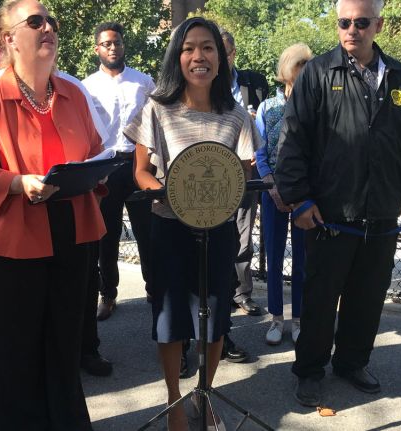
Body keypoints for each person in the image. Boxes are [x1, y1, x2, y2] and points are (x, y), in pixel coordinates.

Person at [274, 0, 401, 407]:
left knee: (368, 298)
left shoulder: (400, 77)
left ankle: (352, 362)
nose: (352, 29)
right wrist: (299, 199)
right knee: (320, 300)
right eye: (344, 22)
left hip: (382, 212)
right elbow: (293, 138)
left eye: (361, 22)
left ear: (378, 25)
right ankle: (310, 370)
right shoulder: (318, 73)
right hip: (329, 215)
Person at [0, 0, 106, 429]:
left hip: (70, 230)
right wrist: (19, 183)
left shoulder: (74, 93)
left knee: (64, 344)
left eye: (51, 21)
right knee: (14, 351)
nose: (48, 28)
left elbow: (95, 151)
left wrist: (98, 172)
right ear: (9, 39)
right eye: (36, 21)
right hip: (10, 238)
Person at [125, 17, 259, 431]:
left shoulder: (236, 115)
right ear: (177, 57)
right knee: (170, 321)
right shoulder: (157, 108)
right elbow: (140, 171)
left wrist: (235, 180)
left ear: (220, 58)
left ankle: (205, 393)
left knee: (216, 319)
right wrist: (163, 191)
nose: (198, 56)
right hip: (169, 227)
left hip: (218, 230)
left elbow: (243, 171)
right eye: (189, 48)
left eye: (208, 47)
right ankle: (174, 401)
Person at [83, 21, 154, 324]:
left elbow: (155, 121)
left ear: (124, 45)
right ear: (97, 48)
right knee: (107, 235)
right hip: (106, 167)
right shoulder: (86, 87)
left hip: (138, 164)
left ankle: (155, 288)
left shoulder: (143, 82)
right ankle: (108, 294)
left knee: (147, 232)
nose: (113, 48)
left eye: (117, 42)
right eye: (107, 43)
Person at [255, 43, 313, 346]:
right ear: (287, 70)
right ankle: (276, 318)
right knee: (274, 257)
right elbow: (260, 151)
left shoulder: (314, 106)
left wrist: (303, 192)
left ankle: (299, 319)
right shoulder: (267, 108)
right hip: (272, 191)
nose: (304, 73)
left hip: (304, 195)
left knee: (302, 259)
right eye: (299, 66)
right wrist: (271, 186)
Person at [220, 29, 269, 317]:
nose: (219, 58)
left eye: (224, 52)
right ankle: (219, 292)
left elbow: (267, 121)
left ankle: (241, 293)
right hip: (216, 169)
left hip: (247, 167)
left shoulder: (254, 83)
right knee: (216, 233)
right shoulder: (202, 85)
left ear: (233, 54)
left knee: (243, 233)